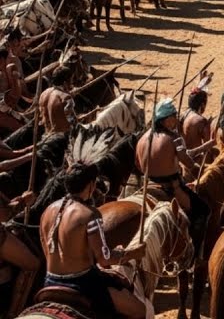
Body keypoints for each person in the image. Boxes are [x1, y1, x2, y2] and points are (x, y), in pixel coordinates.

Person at [41, 136, 147, 319]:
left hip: (49, 281)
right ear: (90, 185)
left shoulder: (48, 211)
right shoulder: (89, 215)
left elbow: (47, 249)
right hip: (82, 285)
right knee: (139, 310)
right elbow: (104, 259)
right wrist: (130, 253)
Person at [134, 98, 210, 255]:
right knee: (203, 211)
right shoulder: (175, 138)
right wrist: (202, 170)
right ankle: (194, 254)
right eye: (174, 115)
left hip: (147, 186)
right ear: (166, 119)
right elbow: (188, 163)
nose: (177, 118)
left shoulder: (143, 138)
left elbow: (137, 164)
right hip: (172, 189)